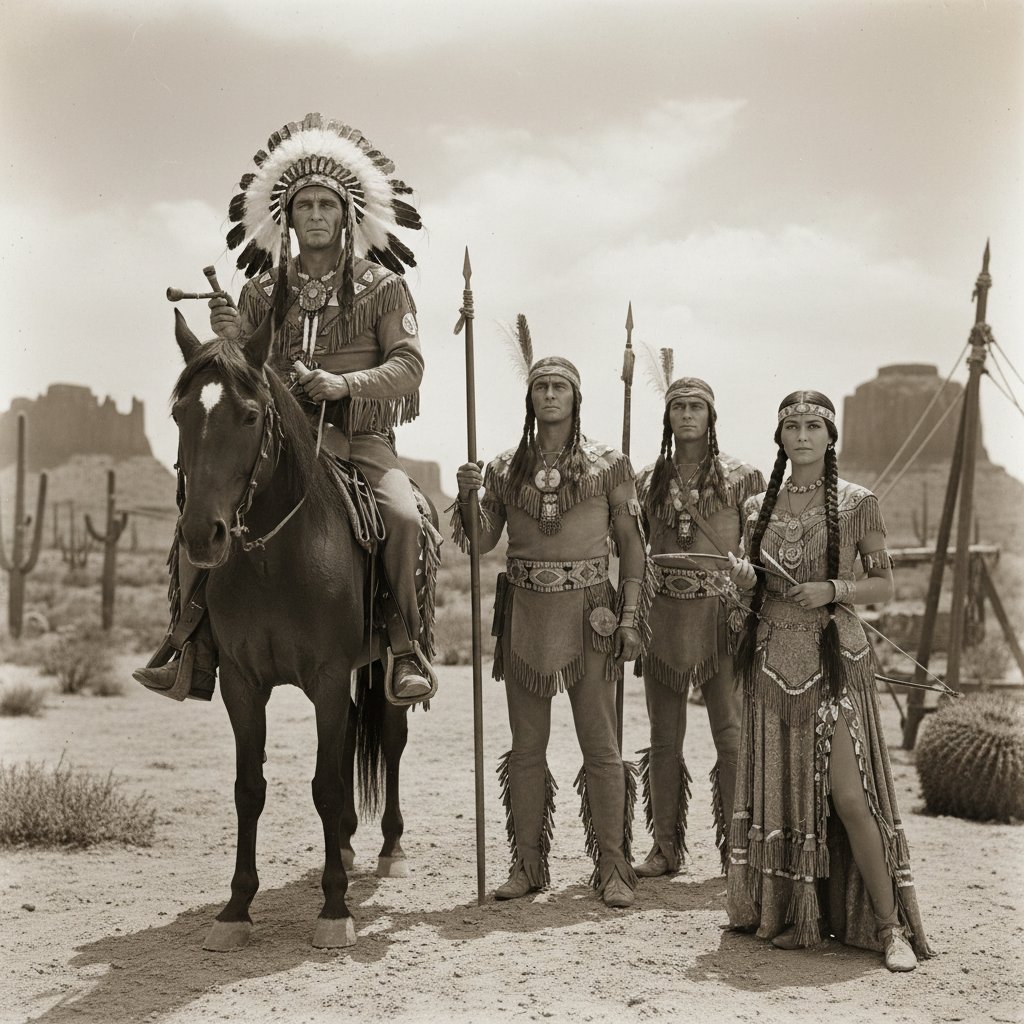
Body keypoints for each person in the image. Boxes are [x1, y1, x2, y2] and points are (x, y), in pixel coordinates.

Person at [135, 112, 435, 704]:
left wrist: (344, 385)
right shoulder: (259, 293)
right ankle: (188, 643)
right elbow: (240, 378)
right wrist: (226, 336)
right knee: (200, 510)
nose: (316, 216)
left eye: (327, 205)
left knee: (402, 515)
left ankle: (403, 646)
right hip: (275, 441)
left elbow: (410, 365)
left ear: (347, 214)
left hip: (361, 442)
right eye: (305, 206)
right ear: (288, 217)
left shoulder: (384, 287)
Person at [726, 390, 933, 972]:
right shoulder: (754, 509)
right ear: (779, 436)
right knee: (785, 798)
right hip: (771, 667)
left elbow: (884, 585)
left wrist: (833, 590)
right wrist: (742, 582)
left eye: (813, 425)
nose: (801, 435)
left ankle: (890, 929)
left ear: (831, 434)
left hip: (834, 661)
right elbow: (754, 587)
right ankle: (798, 917)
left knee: (849, 795)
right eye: (791, 425)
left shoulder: (857, 502)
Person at [452, 345, 653, 909]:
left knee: (602, 746)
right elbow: (482, 539)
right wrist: (470, 498)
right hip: (526, 615)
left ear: (576, 397)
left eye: (558, 387)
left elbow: (633, 547)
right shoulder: (501, 467)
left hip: (591, 614)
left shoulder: (608, 464)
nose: (548, 395)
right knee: (526, 748)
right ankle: (527, 862)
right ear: (530, 398)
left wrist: (632, 617)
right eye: (540, 387)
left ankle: (613, 866)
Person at [632, 377, 765, 878]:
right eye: (679, 407)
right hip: (663, 617)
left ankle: (737, 849)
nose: (687, 415)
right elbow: (633, 545)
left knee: (730, 737)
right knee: (664, 737)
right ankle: (665, 847)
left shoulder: (743, 477)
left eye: (696, 407)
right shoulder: (647, 479)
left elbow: (757, 549)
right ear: (667, 416)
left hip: (720, 620)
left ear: (711, 415)